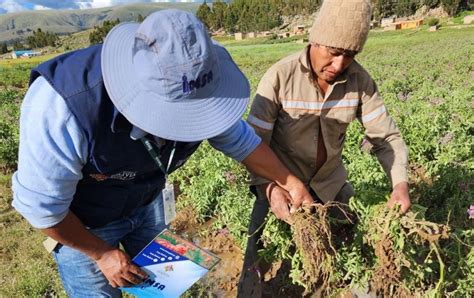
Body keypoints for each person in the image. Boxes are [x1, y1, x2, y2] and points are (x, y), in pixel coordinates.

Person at [11, 9, 313, 297]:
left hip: (147, 202)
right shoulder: (62, 108)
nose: (189, 126)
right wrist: (101, 253)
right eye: (179, 118)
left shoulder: (199, 83)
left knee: (166, 284)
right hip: (83, 221)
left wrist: (290, 181)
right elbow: (43, 210)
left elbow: (243, 143)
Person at [238, 0, 411, 296]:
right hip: (279, 184)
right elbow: (251, 144)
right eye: (334, 53)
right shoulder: (280, 76)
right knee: (256, 259)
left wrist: (400, 184)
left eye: (351, 55)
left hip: (330, 185)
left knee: (349, 252)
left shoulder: (360, 81)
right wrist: (269, 188)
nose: (340, 65)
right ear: (315, 40)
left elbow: (386, 139)